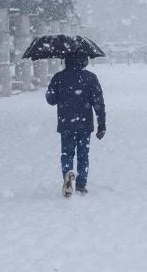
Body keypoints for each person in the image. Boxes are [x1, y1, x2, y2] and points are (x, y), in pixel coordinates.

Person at [45, 50, 105, 197]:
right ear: (84, 61)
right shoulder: (90, 78)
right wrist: (101, 123)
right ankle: (81, 184)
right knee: (83, 154)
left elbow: (51, 100)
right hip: (85, 124)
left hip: (66, 123)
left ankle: (68, 173)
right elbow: (98, 102)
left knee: (67, 153)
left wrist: (52, 92)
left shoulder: (59, 77)